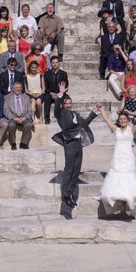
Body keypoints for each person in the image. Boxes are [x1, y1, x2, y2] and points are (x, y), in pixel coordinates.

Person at [53, 82, 98, 217]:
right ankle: (66, 195)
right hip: (70, 143)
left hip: (78, 143)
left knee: (76, 170)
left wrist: (94, 112)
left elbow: (84, 124)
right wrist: (61, 95)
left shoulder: (74, 114)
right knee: (69, 168)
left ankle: (71, 194)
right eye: (66, 103)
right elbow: (56, 108)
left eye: (69, 103)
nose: (68, 105)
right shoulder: (61, 113)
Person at [95, 105, 136, 218]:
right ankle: (118, 204)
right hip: (117, 157)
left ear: (127, 120)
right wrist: (102, 110)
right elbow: (107, 120)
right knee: (116, 178)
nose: (122, 121)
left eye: (124, 119)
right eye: (121, 119)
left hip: (128, 157)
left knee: (128, 179)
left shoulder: (131, 129)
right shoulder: (116, 129)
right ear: (119, 120)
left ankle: (128, 202)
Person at [3, 81, 32, 150]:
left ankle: (23, 143)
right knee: (11, 125)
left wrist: (25, 118)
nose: (19, 89)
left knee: (28, 125)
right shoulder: (7, 97)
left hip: (24, 117)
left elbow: (30, 110)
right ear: (13, 88)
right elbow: (5, 110)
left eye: (20, 87)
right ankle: (13, 143)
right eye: (17, 87)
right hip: (13, 118)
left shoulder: (26, 97)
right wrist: (14, 118)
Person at [43, 56, 68, 124]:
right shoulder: (46, 74)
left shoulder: (64, 73)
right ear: (51, 63)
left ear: (59, 63)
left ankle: (65, 117)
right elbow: (45, 87)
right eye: (53, 62)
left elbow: (66, 86)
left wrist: (60, 93)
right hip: (50, 93)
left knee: (67, 99)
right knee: (47, 98)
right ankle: (47, 118)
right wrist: (51, 93)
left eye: (56, 62)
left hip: (60, 93)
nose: (55, 64)